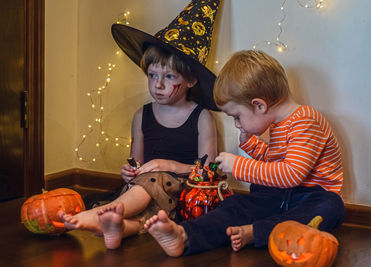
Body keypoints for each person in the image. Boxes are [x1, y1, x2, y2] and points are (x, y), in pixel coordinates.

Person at [144, 50, 345, 257]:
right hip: (278, 194)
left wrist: (239, 165)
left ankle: (256, 231)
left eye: (237, 116)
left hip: (310, 196)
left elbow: (292, 174)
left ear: (259, 105)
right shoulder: (278, 125)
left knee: (330, 207)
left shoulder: (307, 121)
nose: (237, 123)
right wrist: (252, 146)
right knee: (236, 205)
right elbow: (274, 163)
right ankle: (185, 235)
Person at [59, 0, 222, 250]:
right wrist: (130, 171)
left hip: (181, 193)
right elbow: (137, 163)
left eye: (169, 77)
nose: (158, 84)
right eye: (152, 75)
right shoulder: (142, 115)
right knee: (147, 213)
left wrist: (169, 166)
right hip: (143, 193)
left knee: (156, 180)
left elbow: (208, 172)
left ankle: (99, 214)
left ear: (190, 80)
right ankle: (118, 227)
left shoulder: (201, 117)